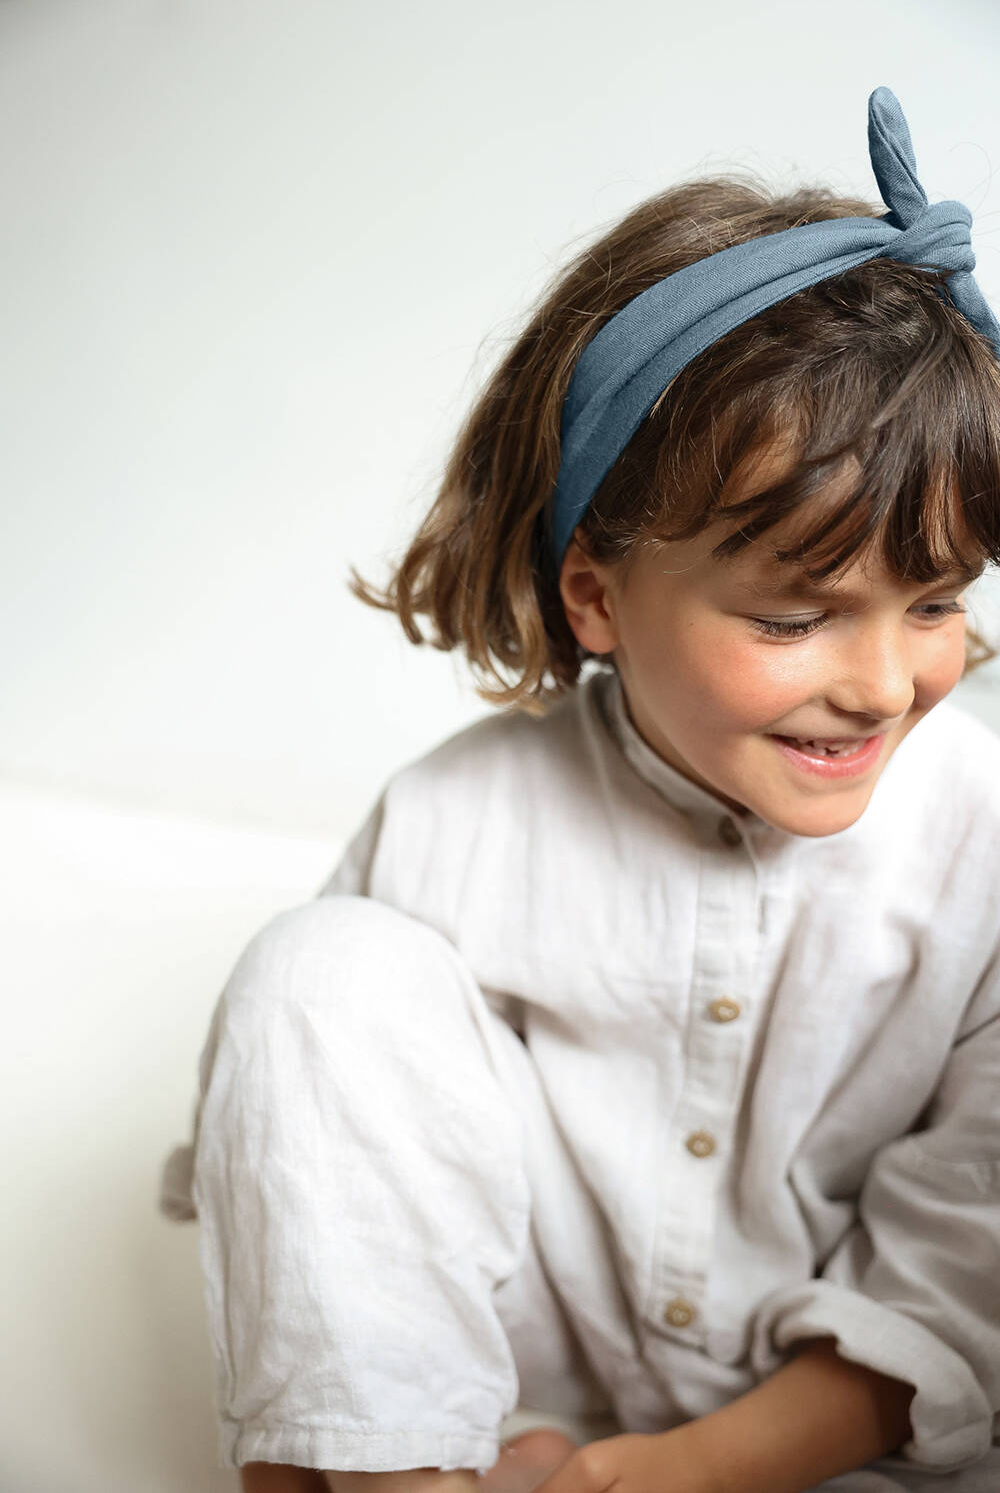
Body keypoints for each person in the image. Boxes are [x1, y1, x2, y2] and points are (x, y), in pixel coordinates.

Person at [158, 87, 1000, 1493]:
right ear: (598, 597)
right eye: (795, 620)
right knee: (320, 975)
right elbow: (322, 1193)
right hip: (489, 1445)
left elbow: (964, 1263)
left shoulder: (981, 839)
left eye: (936, 604)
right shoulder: (454, 827)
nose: (880, 682)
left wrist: (651, 1479)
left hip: (858, 1453)